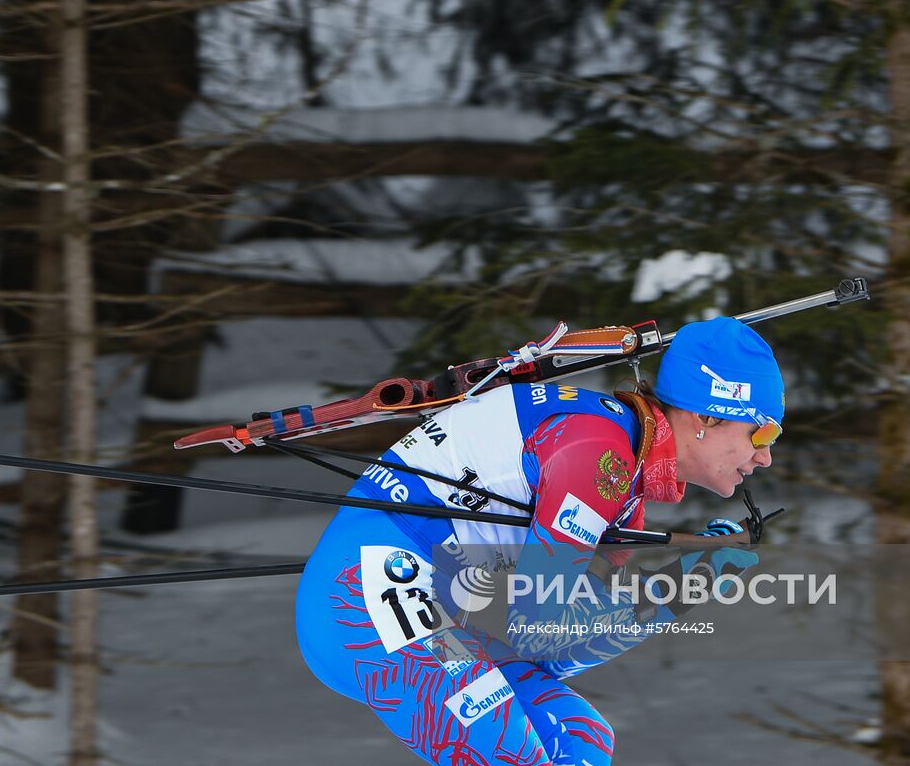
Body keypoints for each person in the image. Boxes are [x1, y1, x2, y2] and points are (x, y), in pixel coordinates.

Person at [294, 316, 784, 765]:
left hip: (427, 612)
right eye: (761, 435)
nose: (764, 458)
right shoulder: (600, 454)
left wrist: (688, 583)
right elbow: (540, 630)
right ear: (706, 417)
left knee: (580, 739)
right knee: (514, 751)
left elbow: (556, 649)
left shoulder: (623, 477)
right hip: (365, 596)